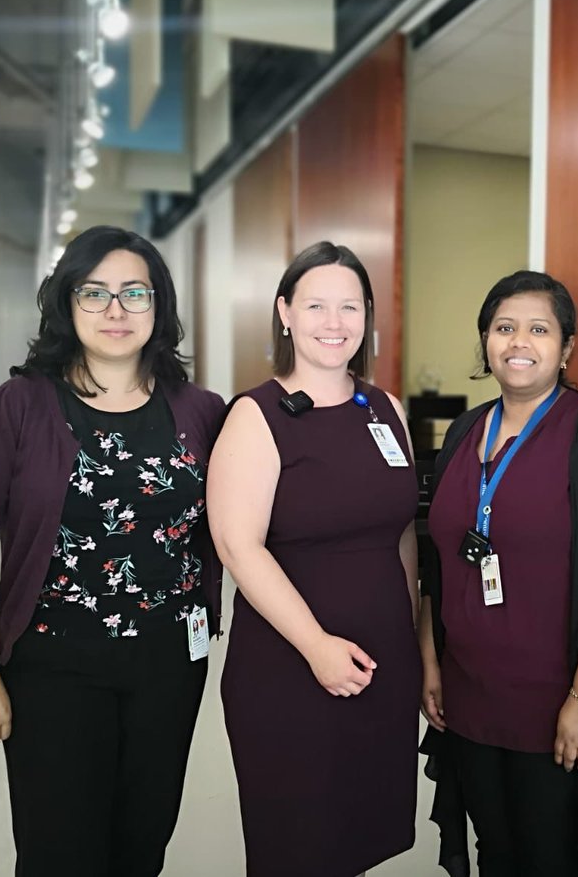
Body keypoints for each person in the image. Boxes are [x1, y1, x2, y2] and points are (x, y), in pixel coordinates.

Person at [0, 225, 226, 876]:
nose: (115, 310)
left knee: (142, 843)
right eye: (95, 293)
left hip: (170, 665)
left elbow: (249, 520)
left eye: (134, 293)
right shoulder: (17, 409)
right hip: (52, 667)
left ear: (161, 305)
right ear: (67, 302)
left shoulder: (202, 412)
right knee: (59, 852)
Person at [419, 271, 578, 876]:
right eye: (504, 328)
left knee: (550, 858)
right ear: (485, 341)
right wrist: (429, 663)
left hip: (559, 708)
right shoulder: (464, 432)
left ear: (566, 347)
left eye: (538, 328)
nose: (518, 341)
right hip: (471, 700)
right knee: (495, 854)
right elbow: (438, 562)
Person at [207, 241, 420, 877]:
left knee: (359, 838)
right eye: (318, 305)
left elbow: (401, 529)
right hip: (289, 666)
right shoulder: (256, 414)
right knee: (299, 844)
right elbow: (237, 547)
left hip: (383, 659)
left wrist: (408, 627)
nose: (335, 322)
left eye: (350, 306)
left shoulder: (387, 410)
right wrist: (316, 646)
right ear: (285, 313)